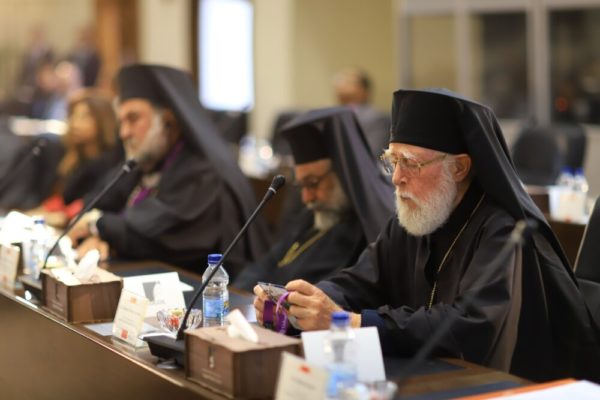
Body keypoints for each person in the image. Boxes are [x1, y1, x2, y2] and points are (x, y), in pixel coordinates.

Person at [254, 89, 600, 381]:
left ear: (459, 167)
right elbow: (359, 282)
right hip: (428, 375)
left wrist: (353, 322)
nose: (396, 178)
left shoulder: (505, 230)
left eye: (411, 163)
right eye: (393, 161)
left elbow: (469, 325)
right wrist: (304, 302)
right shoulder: (414, 215)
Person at [70, 64, 270, 274]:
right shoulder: (146, 162)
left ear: (168, 120)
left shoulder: (204, 172)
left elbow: (160, 238)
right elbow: (96, 204)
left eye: (133, 119)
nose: (124, 133)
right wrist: (98, 236)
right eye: (121, 122)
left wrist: (99, 227)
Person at [234, 107, 394, 291]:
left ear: (344, 174)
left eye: (312, 183)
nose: (306, 198)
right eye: (301, 185)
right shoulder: (316, 215)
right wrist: (237, 293)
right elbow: (266, 263)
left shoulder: (373, 229)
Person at [27, 88, 122, 227]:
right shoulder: (72, 158)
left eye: (85, 117)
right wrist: (33, 214)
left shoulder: (112, 164)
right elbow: (62, 200)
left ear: (102, 120)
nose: (75, 123)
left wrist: (58, 217)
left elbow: (85, 206)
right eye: (73, 115)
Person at [332, 68, 390, 158]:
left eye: (348, 82)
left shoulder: (377, 118)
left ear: (364, 90)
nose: (341, 86)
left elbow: (373, 151)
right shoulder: (332, 117)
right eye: (339, 82)